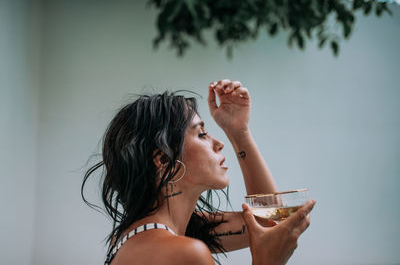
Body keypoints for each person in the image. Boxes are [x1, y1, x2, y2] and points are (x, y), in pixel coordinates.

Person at [82, 79, 316, 265]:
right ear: (164, 159)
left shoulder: (139, 236)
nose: (218, 143)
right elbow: (272, 228)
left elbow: (269, 223)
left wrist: (238, 131)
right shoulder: (185, 253)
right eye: (202, 134)